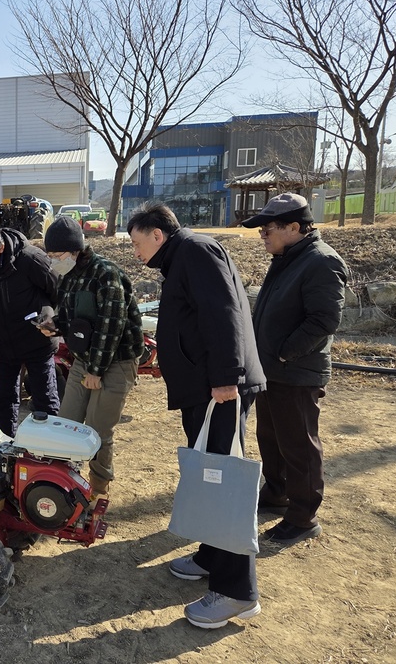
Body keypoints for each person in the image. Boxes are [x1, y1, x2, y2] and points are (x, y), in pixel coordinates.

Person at [128, 202, 266, 630]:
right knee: (209, 474)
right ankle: (211, 556)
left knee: (224, 481)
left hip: (219, 391)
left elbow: (223, 313)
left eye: (136, 242)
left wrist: (226, 378)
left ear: (157, 234)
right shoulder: (182, 256)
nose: (134, 251)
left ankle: (237, 592)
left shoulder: (194, 250)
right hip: (205, 390)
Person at [240, 193, 348, 545]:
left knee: (299, 445)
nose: (262, 235)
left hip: (296, 373)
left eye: (267, 229)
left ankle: (303, 517)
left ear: (294, 227)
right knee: (271, 438)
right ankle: (278, 492)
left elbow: (324, 320)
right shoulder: (288, 258)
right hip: (272, 370)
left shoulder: (321, 261)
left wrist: (285, 354)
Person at [39, 216, 144, 500]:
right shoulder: (69, 276)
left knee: (98, 430)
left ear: (75, 251)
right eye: (50, 256)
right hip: (85, 359)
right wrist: (55, 325)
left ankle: (99, 488)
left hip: (116, 361)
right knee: (66, 422)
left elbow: (111, 326)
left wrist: (96, 371)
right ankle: (63, 483)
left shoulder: (106, 275)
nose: (53, 261)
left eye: (57, 255)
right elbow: (73, 318)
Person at [0, 223, 59, 436]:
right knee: (3, 401)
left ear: (1, 248)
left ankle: (49, 448)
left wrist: (50, 317)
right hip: (3, 344)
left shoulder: (31, 259)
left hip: (37, 339)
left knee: (45, 400)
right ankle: (3, 447)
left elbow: (58, 289)